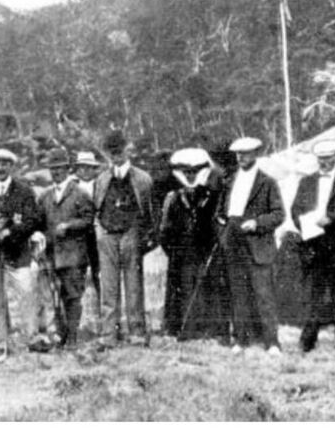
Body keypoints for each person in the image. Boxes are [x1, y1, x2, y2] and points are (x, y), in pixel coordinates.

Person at [290, 140, 335, 353]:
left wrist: (330, 218)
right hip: (315, 245)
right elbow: (295, 209)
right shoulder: (307, 182)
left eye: (328, 158)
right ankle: (308, 341)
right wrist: (305, 225)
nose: (324, 162)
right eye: (320, 158)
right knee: (316, 294)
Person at [216, 137, 285, 356]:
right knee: (238, 294)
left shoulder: (267, 182)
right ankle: (241, 339)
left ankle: (272, 342)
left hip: (258, 245)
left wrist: (257, 223)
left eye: (246, 153)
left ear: (255, 153)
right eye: (238, 154)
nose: (241, 157)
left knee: (264, 295)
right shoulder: (229, 181)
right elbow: (220, 213)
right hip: (234, 243)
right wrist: (224, 232)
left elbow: (279, 214)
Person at [159, 148, 228, 344]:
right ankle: (185, 329)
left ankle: (211, 330)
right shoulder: (173, 197)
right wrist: (174, 250)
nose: (190, 175)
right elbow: (165, 230)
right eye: (186, 172)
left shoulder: (213, 196)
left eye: (194, 172)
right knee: (184, 290)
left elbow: (217, 224)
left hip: (207, 252)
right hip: (182, 254)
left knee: (211, 289)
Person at [93, 131, 154, 349]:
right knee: (108, 287)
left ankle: (137, 332)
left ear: (127, 151)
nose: (116, 156)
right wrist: (100, 229)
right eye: (112, 152)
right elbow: (97, 208)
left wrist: (142, 236)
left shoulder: (143, 179)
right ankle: (109, 334)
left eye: (119, 151)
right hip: (107, 235)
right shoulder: (101, 179)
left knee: (133, 286)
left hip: (131, 233)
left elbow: (149, 212)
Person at [0, 148, 42, 359]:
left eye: (4, 163)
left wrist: (9, 232)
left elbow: (32, 220)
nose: (0, 167)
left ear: (11, 166)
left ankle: (31, 338)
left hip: (17, 252)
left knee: (26, 294)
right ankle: (1, 343)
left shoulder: (23, 190)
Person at [36, 148, 94, 348]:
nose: (56, 173)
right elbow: (38, 223)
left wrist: (69, 226)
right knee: (55, 297)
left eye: (60, 168)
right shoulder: (45, 197)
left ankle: (73, 337)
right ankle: (60, 335)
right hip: (52, 255)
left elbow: (88, 220)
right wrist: (40, 236)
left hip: (74, 254)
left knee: (73, 296)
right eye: (53, 169)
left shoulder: (80, 194)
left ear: (68, 169)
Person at [73, 151, 102, 327]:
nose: (84, 171)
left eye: (88, 167)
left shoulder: (101, 185)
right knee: (77, 277)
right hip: (78, 237)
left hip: (98, 235)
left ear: (94, 169)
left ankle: (104, 320)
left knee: (100, 276)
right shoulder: (72, 187)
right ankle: (80, 321)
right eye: (81, 167)